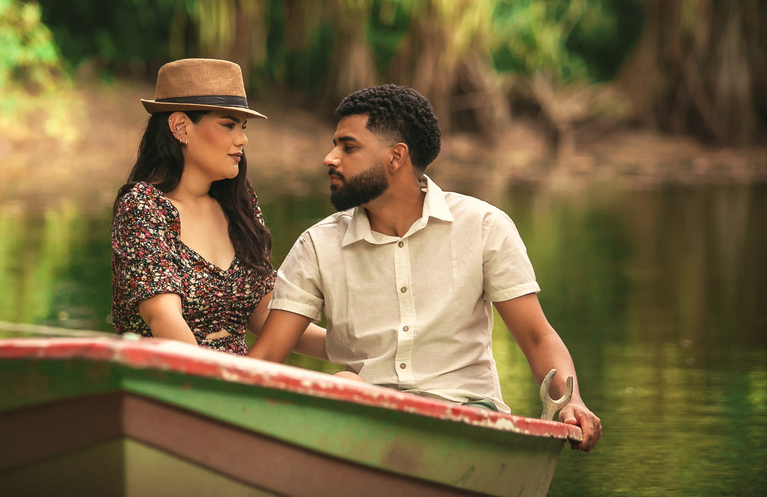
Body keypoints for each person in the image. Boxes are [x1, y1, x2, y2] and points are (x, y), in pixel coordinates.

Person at [248, 84, 602, 452]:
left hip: (469, 419)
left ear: (396, 157)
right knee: (342, 385)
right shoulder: (317, 246)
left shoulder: (483, 226)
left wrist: (572, 402)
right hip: (365, 421)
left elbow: (537, 337)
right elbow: (268, 356)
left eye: (348, 147)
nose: (330, 158)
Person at [111, 58, 327, 358]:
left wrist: (356, 349)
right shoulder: (144, 205)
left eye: (243, 127)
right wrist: (221, 380)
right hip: (170, 377)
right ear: (180, 127)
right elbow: (163, 318)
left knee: (348, 378)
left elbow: (267, 317)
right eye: (228, 125)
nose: (243, 139)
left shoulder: (240, 205)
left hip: (236, 377)